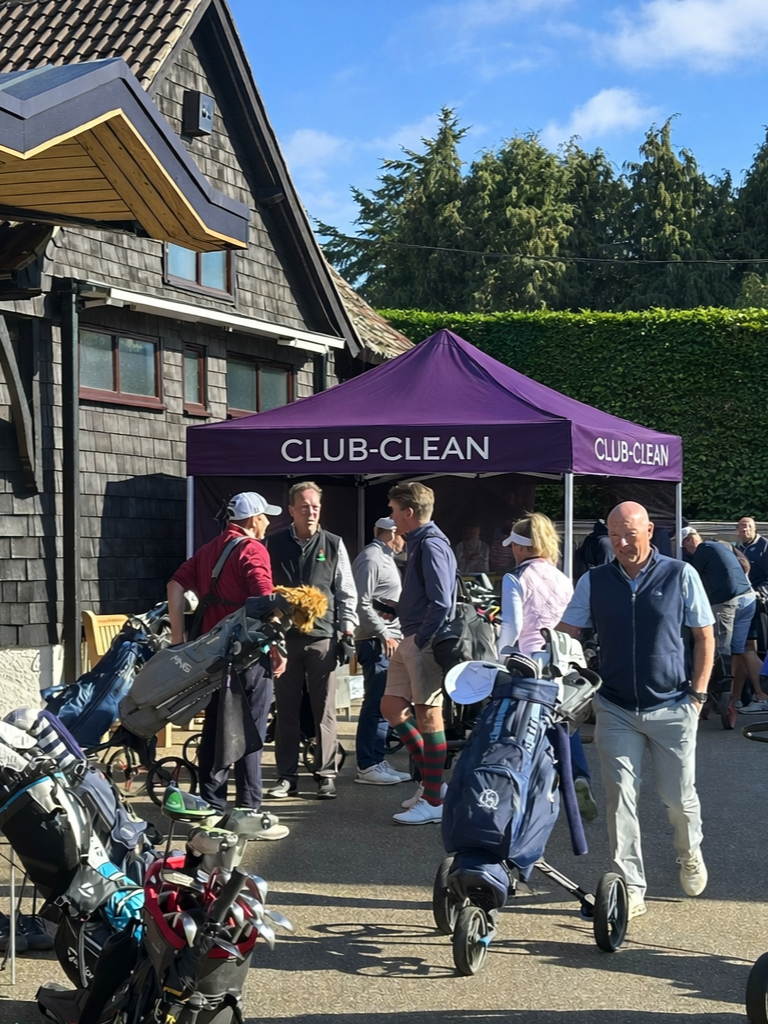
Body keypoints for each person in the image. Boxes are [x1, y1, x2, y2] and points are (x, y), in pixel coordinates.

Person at [559, 501, 715, 921]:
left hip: (673, 705)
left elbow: (704, 636)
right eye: (615, 534)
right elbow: (567, 631)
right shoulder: (595, 580)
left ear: (650, 531)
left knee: (678, 799)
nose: (623, 542)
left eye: (631, 533)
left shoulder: (680, 574)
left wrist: (698, 696)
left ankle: (690, 852)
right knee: (619, 798)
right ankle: (630, 884)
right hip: (615, 706)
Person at [167, 491, 288, 838]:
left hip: (212, 656)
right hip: (248, 654)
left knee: (216, 728)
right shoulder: (252, 549)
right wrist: (278, 645)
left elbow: (175, 584)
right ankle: (250, 807)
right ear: (252, 521)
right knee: (250, 728)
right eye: (265, 516)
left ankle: (212, 804)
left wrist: (178, 638)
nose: (268, 522)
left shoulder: (208, 550)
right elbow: (265, 599)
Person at [497, 513, 598, 823]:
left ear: (519, 547)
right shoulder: (559, 575)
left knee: (523, 730)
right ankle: (577, 777)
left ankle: (526, 796)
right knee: (564, 725)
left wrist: (501, 656)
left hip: (531, 663)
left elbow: (512, 624)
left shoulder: (514, 577)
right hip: (568, 661)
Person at [266, 481, 358, 800]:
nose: (311, 511)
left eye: (315, 506)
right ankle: (286, 777)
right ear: (291, 510)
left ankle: (325, 774)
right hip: (285, 638)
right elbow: (264, 590)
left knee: (324, 709)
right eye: (304, 506)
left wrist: (347, 632)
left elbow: (346, 591)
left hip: (323, 636)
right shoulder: (274, 542)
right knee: (286, 709)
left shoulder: (332, 543)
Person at [381, 481, 456, 825]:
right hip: (411, 634)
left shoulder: (431, 544)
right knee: (392, 707)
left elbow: (443, 602)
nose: (392, 517)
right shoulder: (421, 542)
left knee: (429, 715)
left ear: (409, 513)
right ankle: (432, 786)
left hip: (422, 640)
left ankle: (434, 799)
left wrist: (421, 636)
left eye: (395, 511)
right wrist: (399, 611)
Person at [681, 527, 768, 720]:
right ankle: (760, 695)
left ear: (688, 541)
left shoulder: (701, 553)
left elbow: (694, 586)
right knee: (744, 649)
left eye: (683, 544)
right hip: (748, 597)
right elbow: (745, 566)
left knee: (720, 650)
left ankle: (719, 695)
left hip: (728, 602)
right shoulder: (724, 546)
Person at [351, 517, 411, 786]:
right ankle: (368, 764)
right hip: (377, 641)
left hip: (386, 640)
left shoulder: (383, 557)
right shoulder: (372, 558)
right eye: (402, 536)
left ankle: (376, 758)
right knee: (376, 702)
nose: (404, 541)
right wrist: (384, 633)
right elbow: (361, 603)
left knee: (385, 702)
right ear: (392, 533)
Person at [735, 516, 768, 589]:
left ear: (755, 528)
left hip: (759, 592)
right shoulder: (736, 547)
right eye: (742, 526)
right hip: (741, 591)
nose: (745, 529)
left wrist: (762, 590)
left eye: (749, 526)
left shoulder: (764, 546)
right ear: (737, 529)